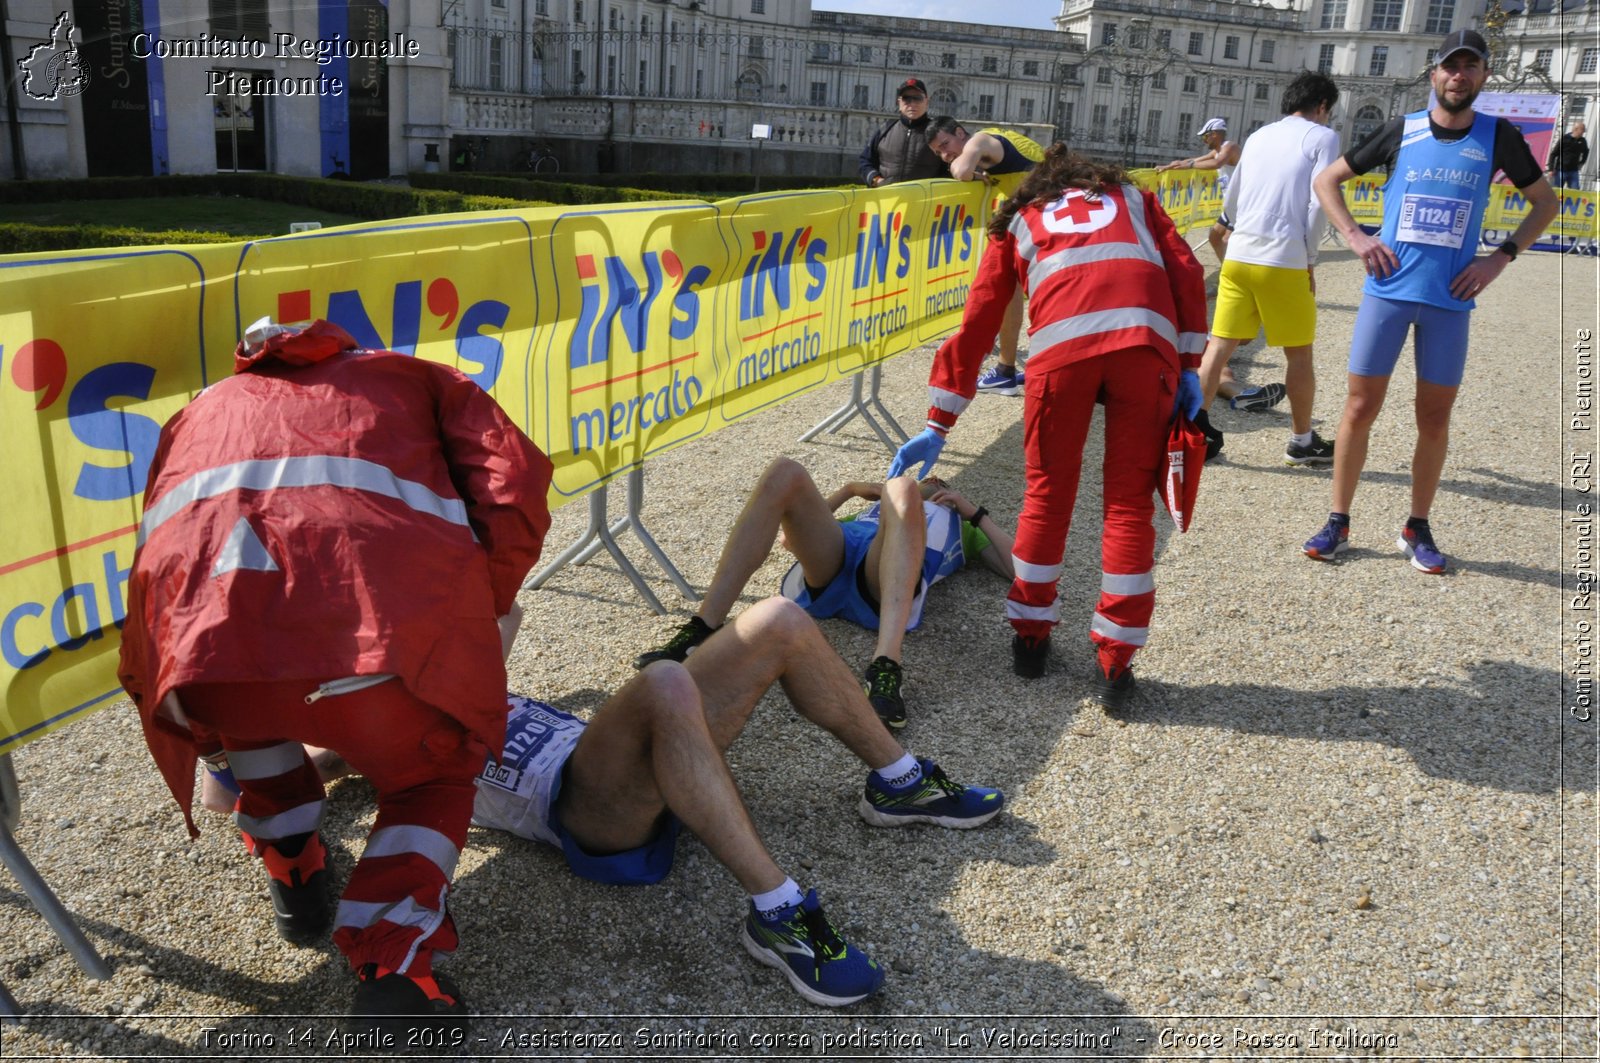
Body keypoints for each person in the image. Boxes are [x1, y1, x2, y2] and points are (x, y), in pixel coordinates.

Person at [203, 598, 1005, 1008]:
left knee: (781, 618)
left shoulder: (446, 669)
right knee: (661, 680)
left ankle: (899, 780)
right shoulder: (384, 736)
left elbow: (502, 609)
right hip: (580, 805)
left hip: (638, 755)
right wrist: (256, 776)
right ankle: (780, 906)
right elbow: (273, 770)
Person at [117, 318, 554, 1028]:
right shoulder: (414, 377)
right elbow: (513, 485)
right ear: (340, 345)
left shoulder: (196, 411)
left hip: (209, 653)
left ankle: (295, 869)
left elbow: (162, 548)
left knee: (256, 709)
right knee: (430, 777)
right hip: (372, 639)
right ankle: (394, 968)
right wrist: (478, 607)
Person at [888, 147, 1208, 708]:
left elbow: (982, 314)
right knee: (1130, 505)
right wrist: (1188, 360)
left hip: (1060, 352)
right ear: (1096, 177)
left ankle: (1030, 640)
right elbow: (1185, 268)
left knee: (1046, 496)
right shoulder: (1134, 198)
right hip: (1143, 345)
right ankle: (1115, 659)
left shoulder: (1017, 219)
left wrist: (939, 422)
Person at [1304, 29, 1558, 572]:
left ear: (1484, 76)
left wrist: (1499, 257)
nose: (1459, 75)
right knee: (1358, 407)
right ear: (1434, 73)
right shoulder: (1404, 129)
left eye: (1470, 66)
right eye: (1450, 66)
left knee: (1434, 418)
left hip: (1448, 301)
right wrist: (1354, 235)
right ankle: (1337, 520)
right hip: (1388, 292)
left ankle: (1416, 526)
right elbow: (1327, 180)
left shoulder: (1498, 136)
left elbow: (1545, 204)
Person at [634, 458, 1014, 730]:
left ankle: (886, 667)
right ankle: (701, 628)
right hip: (836, 563)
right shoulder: (874, 511)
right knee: (786, 471)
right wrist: (848, 492)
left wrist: (973, 512)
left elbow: (1017, 570)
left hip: (882, 578)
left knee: (901, 488)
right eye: (927, 478)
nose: (930, 479)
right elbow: (789, 538)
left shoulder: (959, 525)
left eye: (938, 481)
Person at [1193, 72, 1344, 466]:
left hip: (1241, 252)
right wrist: (1310, 259)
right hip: (1284, 258)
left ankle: (1194, 432)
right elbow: (1318, 203)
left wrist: (1228, 233)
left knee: (1218, 346)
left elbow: (1236, 195)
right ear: (1323, 106)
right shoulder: (1322, 137)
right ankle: (1301, 440)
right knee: (1298, 355)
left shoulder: (1258, 136)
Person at [925, 115, 1046, 397]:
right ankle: (1006, 370)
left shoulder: (980, 140)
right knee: (1012, 288)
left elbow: (962, 171)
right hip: (1053, 219)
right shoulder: (1002, 140)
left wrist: (960, 164)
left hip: (1050, 225)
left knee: (1040, 295)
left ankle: (1036, 369)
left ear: (960, 132)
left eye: (946, 144)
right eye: (938, 152)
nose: (945, 154)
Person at [1157, 116, 1241, 263]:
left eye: (1205, 136)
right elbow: (1193, 161)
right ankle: (1226, 269)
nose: (1204, 140)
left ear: (1215, 134)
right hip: (1230, 205)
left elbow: (1216, 164)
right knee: (1214, 238)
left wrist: (1189, 166)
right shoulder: (1217, 151)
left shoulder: (1230, 147)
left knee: (1228, 240)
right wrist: (1168, 166)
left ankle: (1233, 274)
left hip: (1241, 204)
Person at [859, 78, 948, 187]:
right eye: (907, 99)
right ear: (899, 103)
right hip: (887, 198)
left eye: (917, 98)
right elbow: (865, 161)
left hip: (924, 201)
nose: (912, 104)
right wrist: (876, 180)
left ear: (927, 102)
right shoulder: (885, 129)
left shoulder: (937, 134)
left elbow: (948, 168)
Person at [1548, 120, 1589, 189]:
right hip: (1561, 170)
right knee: (1557, 190)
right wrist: (1551, 169)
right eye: (1582, 130)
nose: (1583, 132)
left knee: (1575, 190)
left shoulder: (1583, 140)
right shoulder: (1564, 139)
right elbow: (1553, 154)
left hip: (1574, 170)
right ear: (1576, 129)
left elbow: (1586, 151)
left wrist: (1582, 162)